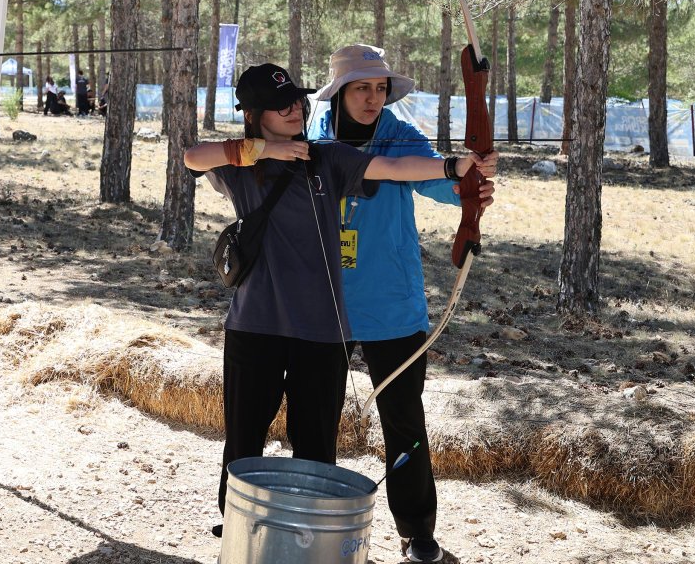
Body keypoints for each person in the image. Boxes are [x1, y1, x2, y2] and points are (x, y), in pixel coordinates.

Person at [183, 63, 497, 538]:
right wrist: (266, 150)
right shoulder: (242, 165)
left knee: (315, 446)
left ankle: (308, 537)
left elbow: (394, 168)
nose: (294, 109)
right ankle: (240, 530)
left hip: (321, 332)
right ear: (253, 115)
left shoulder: (327, 156)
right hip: (254, 326)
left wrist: (456, 167)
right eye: (280, 105)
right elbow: (193, 157)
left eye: (296, 100)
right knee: (244, 437)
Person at [310, 44, 494, 564]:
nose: (373, 99)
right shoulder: (312, 134)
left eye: (380, 88)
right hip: (323, 303)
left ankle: (417, 533)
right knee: (315, 421)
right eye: (361, 88)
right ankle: (313, 524)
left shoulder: (398, 134)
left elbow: (438, 178)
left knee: (404, 423)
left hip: (391, 304)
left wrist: (470, 180)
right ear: (339, 92)